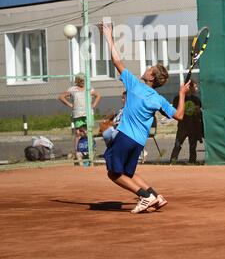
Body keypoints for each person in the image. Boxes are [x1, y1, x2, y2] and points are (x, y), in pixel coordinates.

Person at [99, 22, 191, 214]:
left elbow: (116, 61)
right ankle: (156, 197)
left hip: (124, 137)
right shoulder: (158, 99)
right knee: (128, 173)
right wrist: (182, 93)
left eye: (149, 69)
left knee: (113, 173)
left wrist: (108, 36)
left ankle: (145, 196)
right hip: (139, 142)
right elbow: (179, 116)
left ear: (151, 77)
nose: (146, 69)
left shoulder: (134, 85)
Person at [58, 73, 101, 153]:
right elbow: (61, 97)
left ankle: (90, 150)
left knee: (88, 131)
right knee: (78, 133)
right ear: (77, 80)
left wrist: (93, 105)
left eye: (84, 80)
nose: (83, 82)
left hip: (88, 113)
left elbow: (98, 95)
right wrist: (70, 104)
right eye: (81, 80)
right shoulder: (72, 89)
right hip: (77, 114)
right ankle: (77, 151)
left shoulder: (89, 88)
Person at [169, 79, 204, 165]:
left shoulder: (196, 99)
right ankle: (172, 162)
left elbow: (199, 112)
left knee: (192, 147)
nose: (196, 89)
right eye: (195, 86)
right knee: (178, 145)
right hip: (183, 126)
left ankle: (192, 162)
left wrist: (198, 111)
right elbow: (175, 111)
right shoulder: (178, 98)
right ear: (189, 87)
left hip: (193, 126)